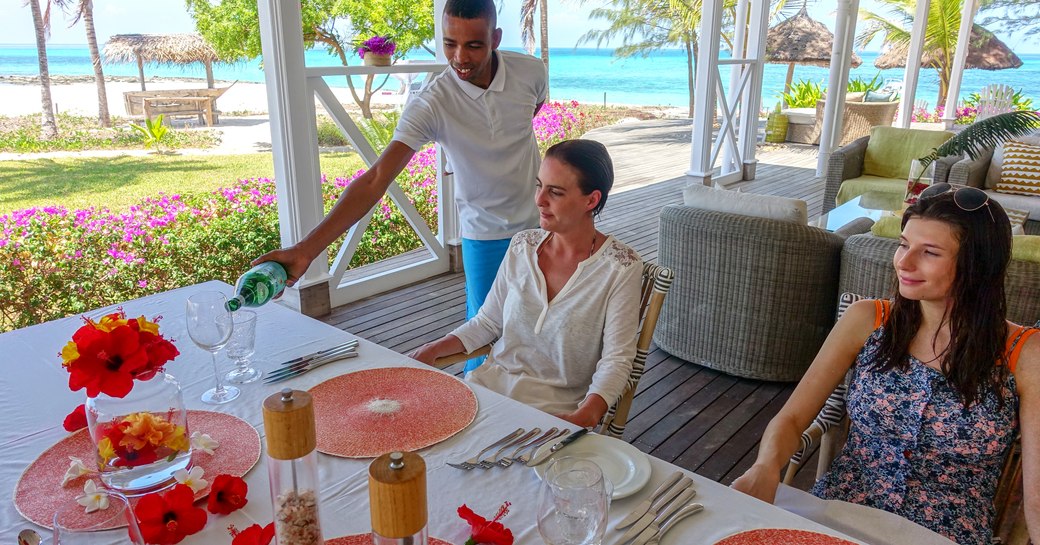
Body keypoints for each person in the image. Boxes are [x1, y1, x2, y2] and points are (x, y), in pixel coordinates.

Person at [731, 184, 1040, 545]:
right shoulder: (868, 319)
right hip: (840, 515)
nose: (904, 263)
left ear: (977, 265)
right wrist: (766, 466)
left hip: (945, 533)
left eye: (930, 252)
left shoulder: (1024, 353)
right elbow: (793, 418)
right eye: (904, 244)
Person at [255, 0, 547, 373]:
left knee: (539, 330)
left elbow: (529, 113)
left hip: (541, 227)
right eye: (449, 43)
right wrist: (305, 250)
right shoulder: (432, 103)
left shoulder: (530, 71)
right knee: (484, 340)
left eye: (474, 45)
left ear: (495, 38)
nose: (460, 57)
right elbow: (375, 179)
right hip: (484, 234)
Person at [409, 140, 642, 429]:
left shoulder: (620, 268)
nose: (539, 199)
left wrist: (587, 414)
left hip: (555, 414)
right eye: (539, 185)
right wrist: (434, 347)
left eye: (555, 192)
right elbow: (487, 322)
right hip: (485, 393)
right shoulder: (523, 246)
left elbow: (617, 360)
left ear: (591, 200)